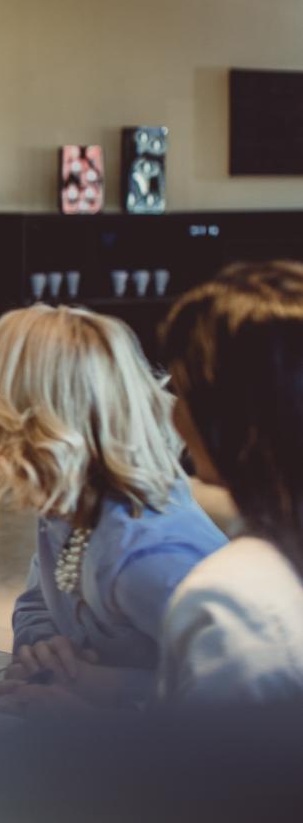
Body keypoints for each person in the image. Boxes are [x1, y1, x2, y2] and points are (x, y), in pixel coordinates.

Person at [0, 304, 225, 716]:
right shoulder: (68, 504)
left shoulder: (149, 556)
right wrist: (44, 652)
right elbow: (35, 605)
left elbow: (233, 700)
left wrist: (99, 690)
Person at [158, 260, 303, 703]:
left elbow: (201, 771)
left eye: (180, 390)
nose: (173, 412)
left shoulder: (231, 605)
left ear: (228, 415)